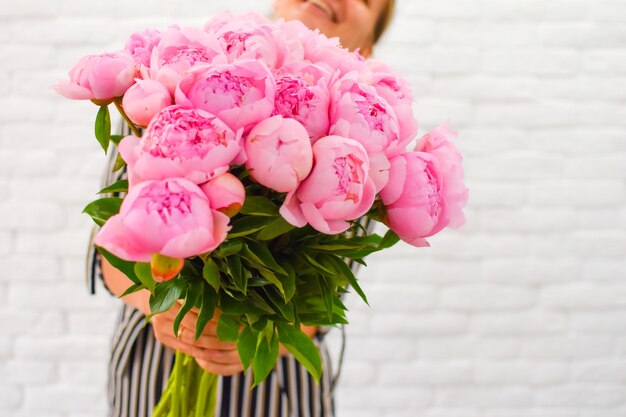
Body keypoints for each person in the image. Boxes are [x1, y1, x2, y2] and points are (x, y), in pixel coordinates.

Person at [90, 1, 396, 416]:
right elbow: (106, 252)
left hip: (277, 393)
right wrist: (164, 306)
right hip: (151, 375)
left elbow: (324, 303)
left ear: (371, 47)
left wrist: (248, 335)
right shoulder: (167, 81)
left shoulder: (361, 152)